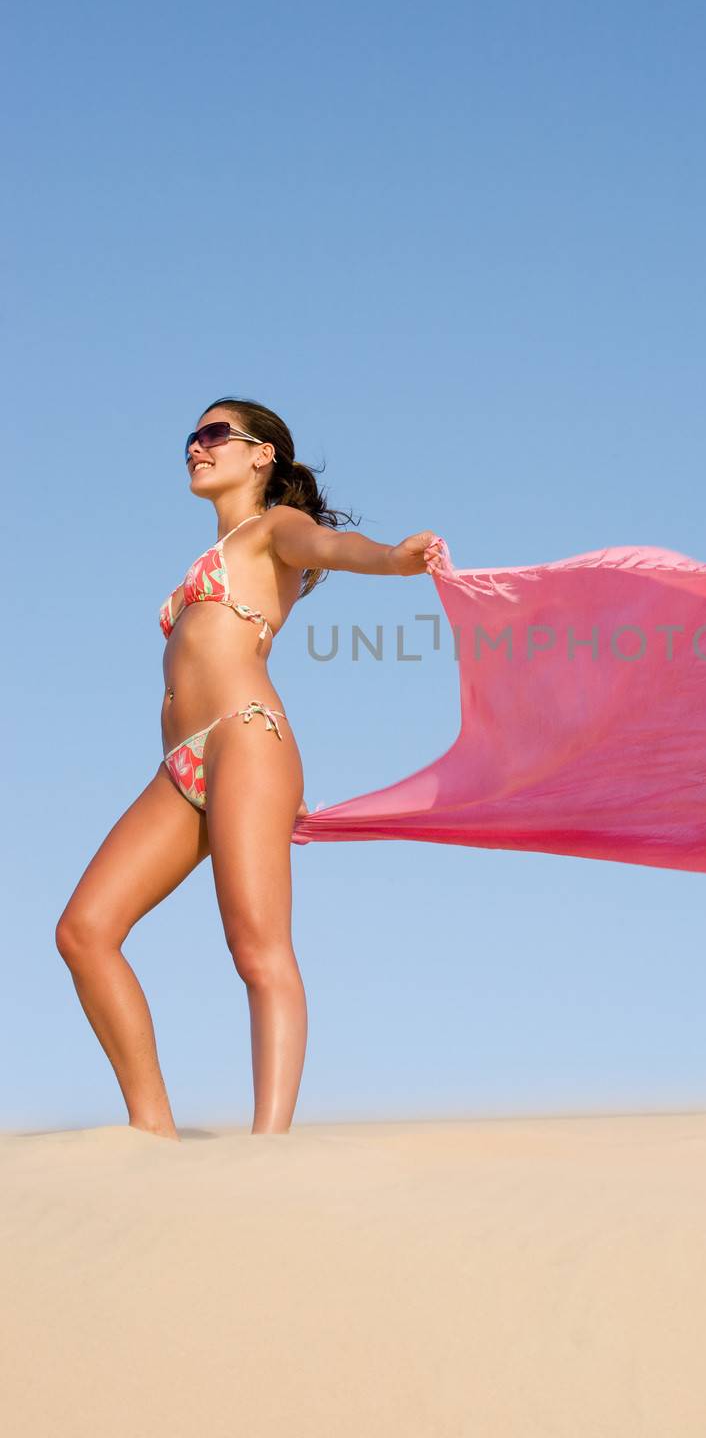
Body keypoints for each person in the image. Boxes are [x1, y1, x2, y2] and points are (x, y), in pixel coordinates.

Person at [54, 397, 443, 1141]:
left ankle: (269, 1152)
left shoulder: (273, 530)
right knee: (84, 931)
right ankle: (151, 1134)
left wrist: (393, 560)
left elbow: (332, 545)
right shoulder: (219, 545)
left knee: (257, 948)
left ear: (262, 454)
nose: (196, 448)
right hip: (180, 766)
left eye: (213, 435)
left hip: (244, 738)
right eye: (191, 439)